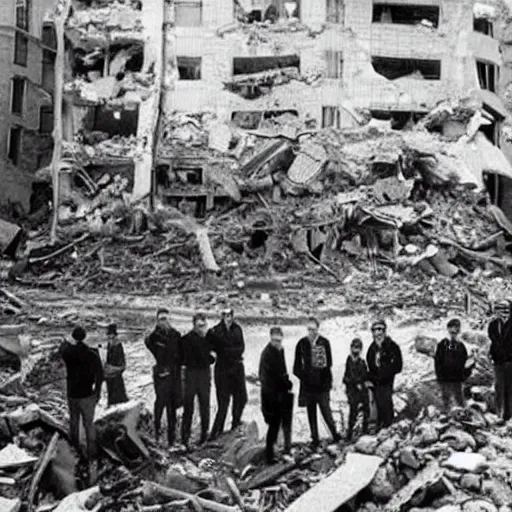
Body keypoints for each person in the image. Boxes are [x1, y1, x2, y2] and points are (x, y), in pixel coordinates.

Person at [60, 326, 103, 481]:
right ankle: (92, 458)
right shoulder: (92, 355)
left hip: (72, 394)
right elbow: (100, 375)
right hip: (87, 395)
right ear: (85, 337)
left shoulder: (68, 353)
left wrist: (68, 342)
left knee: (74, 423)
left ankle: (76, 454)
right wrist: (97, 393)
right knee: (89, 425)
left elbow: (62, 349)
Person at [293, 317, 341, 448]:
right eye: (309, 329)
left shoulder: (324, 342)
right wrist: (305, 376)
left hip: (322, 386)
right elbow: (295, 367)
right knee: (311, 413)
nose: (311, 332)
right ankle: (315, 439)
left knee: (326, 411)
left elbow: (329, 363)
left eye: (314, 329)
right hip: (308, 387)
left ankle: (335, 434)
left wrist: (322, 374)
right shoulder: (301, 343)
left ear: (318, 329)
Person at [145, 308, 183, 446]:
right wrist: (156, 330)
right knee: (160, 404)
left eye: (165, 319)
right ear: (157, 320)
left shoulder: (176, 335)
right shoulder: (154, 337)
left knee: (172, 407)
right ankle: (156, 434)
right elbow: (148, 342)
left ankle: (171, 440)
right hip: (160, 374)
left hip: (173, 375)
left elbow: (180, 355)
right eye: (161, 319)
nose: (164, 322)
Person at [209, 308, 248, 439]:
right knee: (223, 403)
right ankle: (216, 433)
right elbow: (211, 349)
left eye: (230, 315)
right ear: (222, 316)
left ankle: (235, 425)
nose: (228, 317)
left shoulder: (237, 329)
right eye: (225, 315)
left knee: (241, 398)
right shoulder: (215, 331)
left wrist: (226, 351)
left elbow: (241, 348)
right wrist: (226, 352)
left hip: (237, 368)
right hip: (223, 370)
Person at [259, 327, 293, 464]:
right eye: (274, 340)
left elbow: (283, 370)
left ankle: (280, 450)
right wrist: (284, 383)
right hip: (270, 396)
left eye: (279, 340)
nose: (277, 343)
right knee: (273, 426)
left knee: (281, 424)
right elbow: (266, 378)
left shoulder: (280, 350)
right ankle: (269, 455)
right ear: (270, 338)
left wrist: (286, 381)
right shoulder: (267, 354)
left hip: (280, 394)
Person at [181, 313, 215, 448]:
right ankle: (186, 439)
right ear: (194, 325)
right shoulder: (186, 340)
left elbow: (211, 359)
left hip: (202, 376)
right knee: (189, 408)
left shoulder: (207, 339)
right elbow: (210, 359)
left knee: (204, 407)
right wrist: (207, 356)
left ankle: (202, 436)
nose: (202, 328)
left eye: (204, 326)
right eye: (200, 326)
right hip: (192, 376)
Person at [366, 320, 402, 430]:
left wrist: (386, 373)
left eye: (380, 329)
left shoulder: (392, 346)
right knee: (378, 404)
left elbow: (398, 365)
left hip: (387, 380)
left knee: (386, 402)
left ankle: (389, 427)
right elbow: (370, 366)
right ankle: (381, 428)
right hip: (376, 381)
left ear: (385, 331)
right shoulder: (371, 349)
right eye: (375, 330)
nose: (378, 333)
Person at [434, 318, 472, 411]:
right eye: (451, 329)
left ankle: (462, 419)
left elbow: (465, 362)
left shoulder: (460, 346)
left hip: (457, 378)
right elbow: (437, 361)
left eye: (456, 329)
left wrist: (464, 375)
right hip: (445, 378)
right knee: (445, 401)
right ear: (448, 330)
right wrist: (439, 376)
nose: (453, 332)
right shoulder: (442, 344)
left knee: (459, 400)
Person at [488, 300, 512, 421]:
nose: (503, 312)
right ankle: (498, 414)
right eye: (499, 309)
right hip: (498, 360)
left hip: (510, 360)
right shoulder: (493, 324)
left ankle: (508, 415)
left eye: (505, 309)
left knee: (509, 387)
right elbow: (493, 340)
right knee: (499, 387)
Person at [343, 338, 370, 441]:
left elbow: (365, 374)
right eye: (354, 347)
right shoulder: (349, 361)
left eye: (358, 348)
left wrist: (361, 382)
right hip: (352, 391)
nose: (356, 350)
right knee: (353, 412)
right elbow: (347, 377)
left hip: (362, 390)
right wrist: (355, 383)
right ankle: (349, 434)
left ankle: (364, 431)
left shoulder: (362, 362)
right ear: (351, 348)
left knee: (366, 409)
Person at [104, 323, 129, 407]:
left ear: (115, 336)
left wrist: (112, 368)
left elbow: (123, 366)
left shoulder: (118, 346)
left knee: (119, 400)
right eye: (109, 337)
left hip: (116, 379)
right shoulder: (109, 346)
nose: (111, 339)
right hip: (109, 378)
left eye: (112, 337)